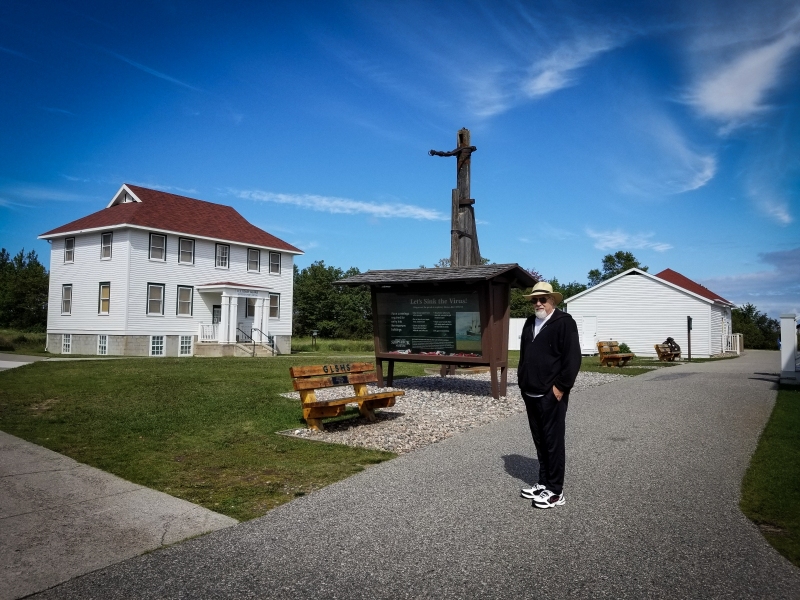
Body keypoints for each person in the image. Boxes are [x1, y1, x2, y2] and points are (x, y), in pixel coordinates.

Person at [517, 281, 581, 509]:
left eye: (543, 299)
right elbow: (524, 354)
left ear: (552, 300)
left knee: (553, 442)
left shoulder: (564, 323)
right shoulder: (529, 322)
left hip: (551, 394)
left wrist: (560, 387)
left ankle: (555, 490)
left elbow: (572, 359)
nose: (538, 303)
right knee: (540, 440)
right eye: (535, 299)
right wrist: (521, 381)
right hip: (530, 391)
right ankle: (543, 482)